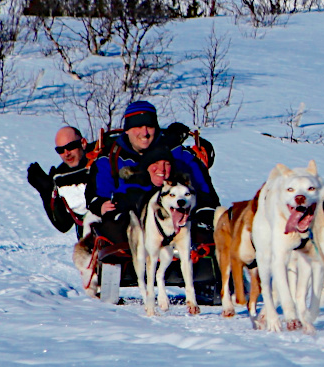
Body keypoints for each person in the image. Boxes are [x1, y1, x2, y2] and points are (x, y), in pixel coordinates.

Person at [87, 101, 222, 303]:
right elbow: (97, 190)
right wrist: (101, 204)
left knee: (206, 230)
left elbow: (202, 187)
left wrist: (205, 210)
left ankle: (213, 280)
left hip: (176, 217)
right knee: (111, 228)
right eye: (138, 127)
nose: (145, 132)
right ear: (127, 130)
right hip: (131, 217)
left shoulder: (177, 153)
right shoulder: (111, 157)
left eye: (149, 126)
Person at [26, 126, 95, 237]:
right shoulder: (61, 177)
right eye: (60, 150)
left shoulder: (103, 161)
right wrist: (47, 192)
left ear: (83, 143)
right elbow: (63, 225)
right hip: (91, 245)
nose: (66, 153)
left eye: (70, 146)